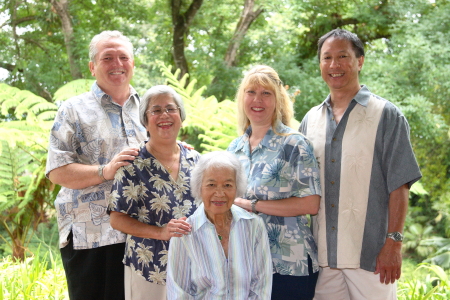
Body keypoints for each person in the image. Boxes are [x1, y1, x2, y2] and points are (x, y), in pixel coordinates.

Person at [299, 28, 422, 300]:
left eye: (343, 56)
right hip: (323, 258)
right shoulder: (310, 120)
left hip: (372, 256)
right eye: (326, 57)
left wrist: (393, 244)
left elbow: (400, 184)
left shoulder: (386, 115)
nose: (334, 65)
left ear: (360, 61)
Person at [46, 30, 147, 300]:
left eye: (124, 57)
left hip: (143, 235)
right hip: (91, 237)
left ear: (133, 64)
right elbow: (57, 171)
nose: (117, 64)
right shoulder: (72, 109)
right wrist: (105, 171)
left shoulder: (150, 108)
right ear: (92, 67)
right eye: (107, 58)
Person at [227, 65, 321, 300]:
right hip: (246, 262)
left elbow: (310, 204)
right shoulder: (234, 148)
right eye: (251, 92)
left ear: (278, 100)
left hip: (289, 263)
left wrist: (252, 205)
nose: (257, 100)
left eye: (266, 93)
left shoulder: (295, 144)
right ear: (242, 98)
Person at [108, 85, 200, 300]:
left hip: (194, 270)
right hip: (148, 270)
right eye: (156, 110)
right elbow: (117, 219)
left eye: (171, 109)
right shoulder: (132, 164)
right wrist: (161, 232)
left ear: (181, 115)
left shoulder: (198, 162)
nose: (164, 116)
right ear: (145, 121)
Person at [166, 151, 273, 299]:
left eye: (227, 185)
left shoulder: (254, 225)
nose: (220, 193)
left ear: (237, 188)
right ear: (199, 187)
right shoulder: (184, 232)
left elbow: (261, 286)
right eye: (211, 185)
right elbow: (178, 293)